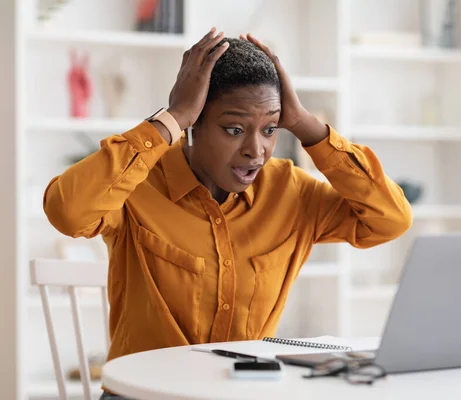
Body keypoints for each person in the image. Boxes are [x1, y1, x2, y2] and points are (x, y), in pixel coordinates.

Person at [44, 28, 413, 399]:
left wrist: (304, 124)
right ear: (194, 125)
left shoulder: (291, 192)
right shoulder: (135, 186)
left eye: (269, 129)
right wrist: (171, 118)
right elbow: (67, 211)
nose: (256, 151)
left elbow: (390, 219)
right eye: (234, 129)